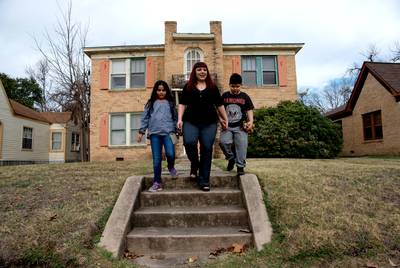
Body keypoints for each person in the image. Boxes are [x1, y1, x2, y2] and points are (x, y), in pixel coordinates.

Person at [177, 62, 228, 191]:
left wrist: (225, 118)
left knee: (206, 148)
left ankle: (204, 180)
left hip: (209, 123)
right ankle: (195, 163)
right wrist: (180, 119)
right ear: (194, 71)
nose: (202, 72)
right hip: (190, 121)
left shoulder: (212, 87)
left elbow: (219, 105)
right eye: (199, 69)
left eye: (204, 70)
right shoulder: (188, 87)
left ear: (207, 72)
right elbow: (182, 104)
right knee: (189, 142)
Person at [137, 80, 178, 192]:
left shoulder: (170, 103)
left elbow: (175, 118)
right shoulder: (150, 103)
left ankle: (171, 167)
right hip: (154, 134)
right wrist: (141, 132)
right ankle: (157, 182)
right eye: (158, 90)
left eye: (163, 90)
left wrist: (176, 130)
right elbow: (145, 118)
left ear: (166, 91)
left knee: (170, 153)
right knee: (157, 159)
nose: (161, 92)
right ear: (155, 91)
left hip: (168, 133)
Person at [219, 73, 254, 176]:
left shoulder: (244, 96)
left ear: (241, 85)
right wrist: (221, 120)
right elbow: (219, 110)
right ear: (229, 85)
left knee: (241, 146)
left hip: (241, 127)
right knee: (223, 142)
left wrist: (251, 121)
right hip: (227, 126)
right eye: (233, 86)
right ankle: (231, 158)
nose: (235, 88)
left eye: (237, 86)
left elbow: (249, 110)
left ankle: (240, 167)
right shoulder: (224, 96)